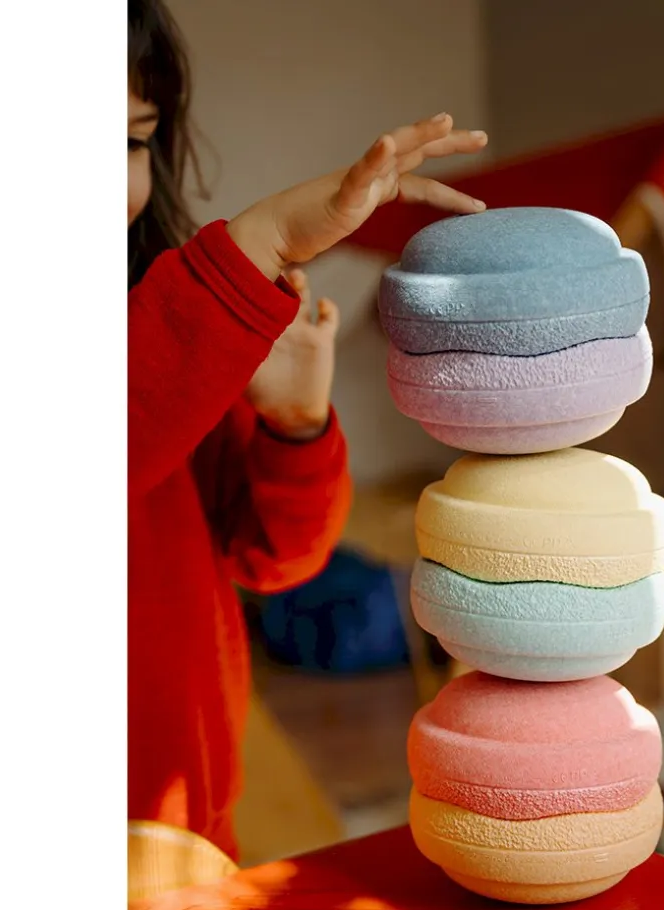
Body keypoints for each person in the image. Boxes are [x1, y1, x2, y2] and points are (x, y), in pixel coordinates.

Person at [128, 0, 488, 860]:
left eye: (132, 142)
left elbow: (272, 557)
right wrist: (258, 242)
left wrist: (296, 431)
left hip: (186, 838)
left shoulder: (159, 322)